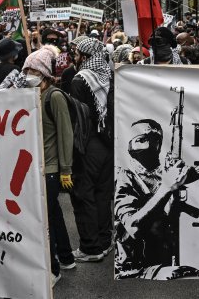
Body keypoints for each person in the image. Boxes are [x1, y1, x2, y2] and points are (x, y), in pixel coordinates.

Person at [114, 119, 199, 279]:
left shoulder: (163, 174)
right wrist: (169, 186)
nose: (150, 144)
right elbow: (134, 227)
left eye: (156, 138)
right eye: (142, 139)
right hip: (135, 267)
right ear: (129, 145)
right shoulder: (123, 176)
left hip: (164, 259)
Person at [23, 47, 76, 286]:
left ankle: (53, 270)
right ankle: (66, 257)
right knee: (53, 215)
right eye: (27, 69)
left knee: (46, 221)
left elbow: (66, 135)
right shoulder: (31, 93)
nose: (28, 74)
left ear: (44, 72)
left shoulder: (54, 96)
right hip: (38, 166)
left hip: (52, 170)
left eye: (33, 70)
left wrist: (66, 170)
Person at [69, 37, 114, 262]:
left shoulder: (80, 80)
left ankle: (91, 248)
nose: (74, 58)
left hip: (88, 145)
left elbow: (78, 120)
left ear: (85, 57)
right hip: (108, 144)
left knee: (84, 194)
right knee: (103, 195)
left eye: (77, 54)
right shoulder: (109, 74)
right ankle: (105, 241)